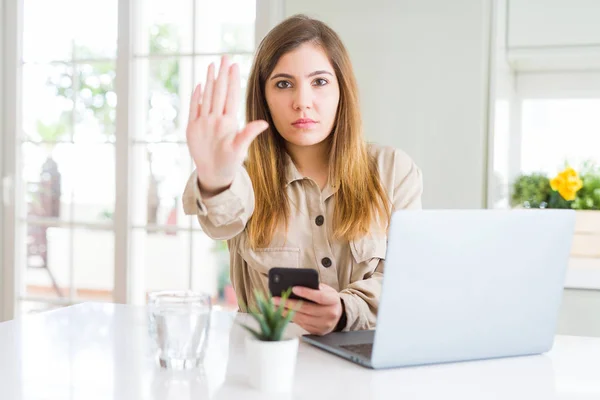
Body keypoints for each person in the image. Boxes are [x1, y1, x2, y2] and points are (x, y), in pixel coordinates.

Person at [182, 14, 423, 335]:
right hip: (267, 367)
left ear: (342, 89)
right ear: (264, 97)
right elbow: (220, 218)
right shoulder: (242, 176)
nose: (302, 102)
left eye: (319, 82)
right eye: (284, 84)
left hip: (367, 370)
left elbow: (410, 277)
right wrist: (215, 179)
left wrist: (344, 310)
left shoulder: (393, 170)